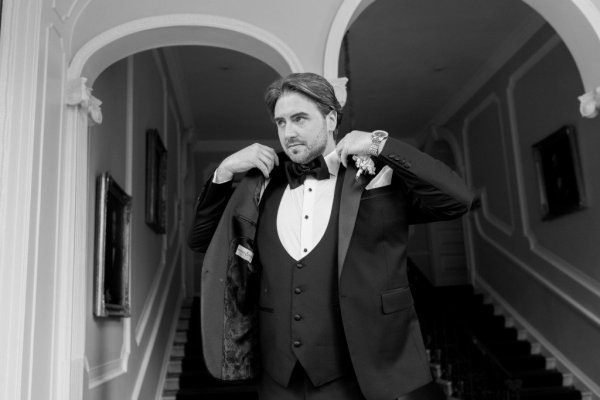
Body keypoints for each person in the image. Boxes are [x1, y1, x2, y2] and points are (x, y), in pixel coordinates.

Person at [188, 72, 473, 400]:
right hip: (277, 375)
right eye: (280, 122)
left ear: (331, 119)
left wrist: (380, 144)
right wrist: (223, 172)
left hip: (357, 371)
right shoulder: (262, 185)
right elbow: (200, 240)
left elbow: (457, 199)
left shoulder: (373, 176)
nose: (288, 132)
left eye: (299, 119)